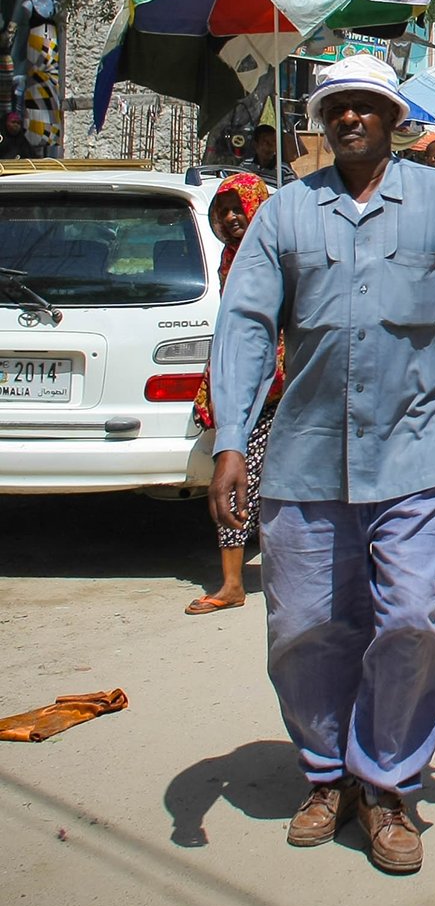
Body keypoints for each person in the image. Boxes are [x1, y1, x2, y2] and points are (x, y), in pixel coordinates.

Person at [207, 53, 435, 876]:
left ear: (393, 120)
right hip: (310, 455)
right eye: (337, 107)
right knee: (306, 627)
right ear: (322, 122)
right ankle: (326, 776)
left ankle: (387, 785)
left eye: (366, 107)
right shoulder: (283, 216)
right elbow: (243, 326)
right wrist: (232, 440)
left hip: (422, 448)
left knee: (412, 617)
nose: (351, 119)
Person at [184, 174, 285, 615]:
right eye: (222, 211)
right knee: (235, 477)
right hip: (247, 387)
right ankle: (231, 582)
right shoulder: (229, 257)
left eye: (236, 208)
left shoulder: (275, 254)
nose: (230, 218)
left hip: (281, 383)